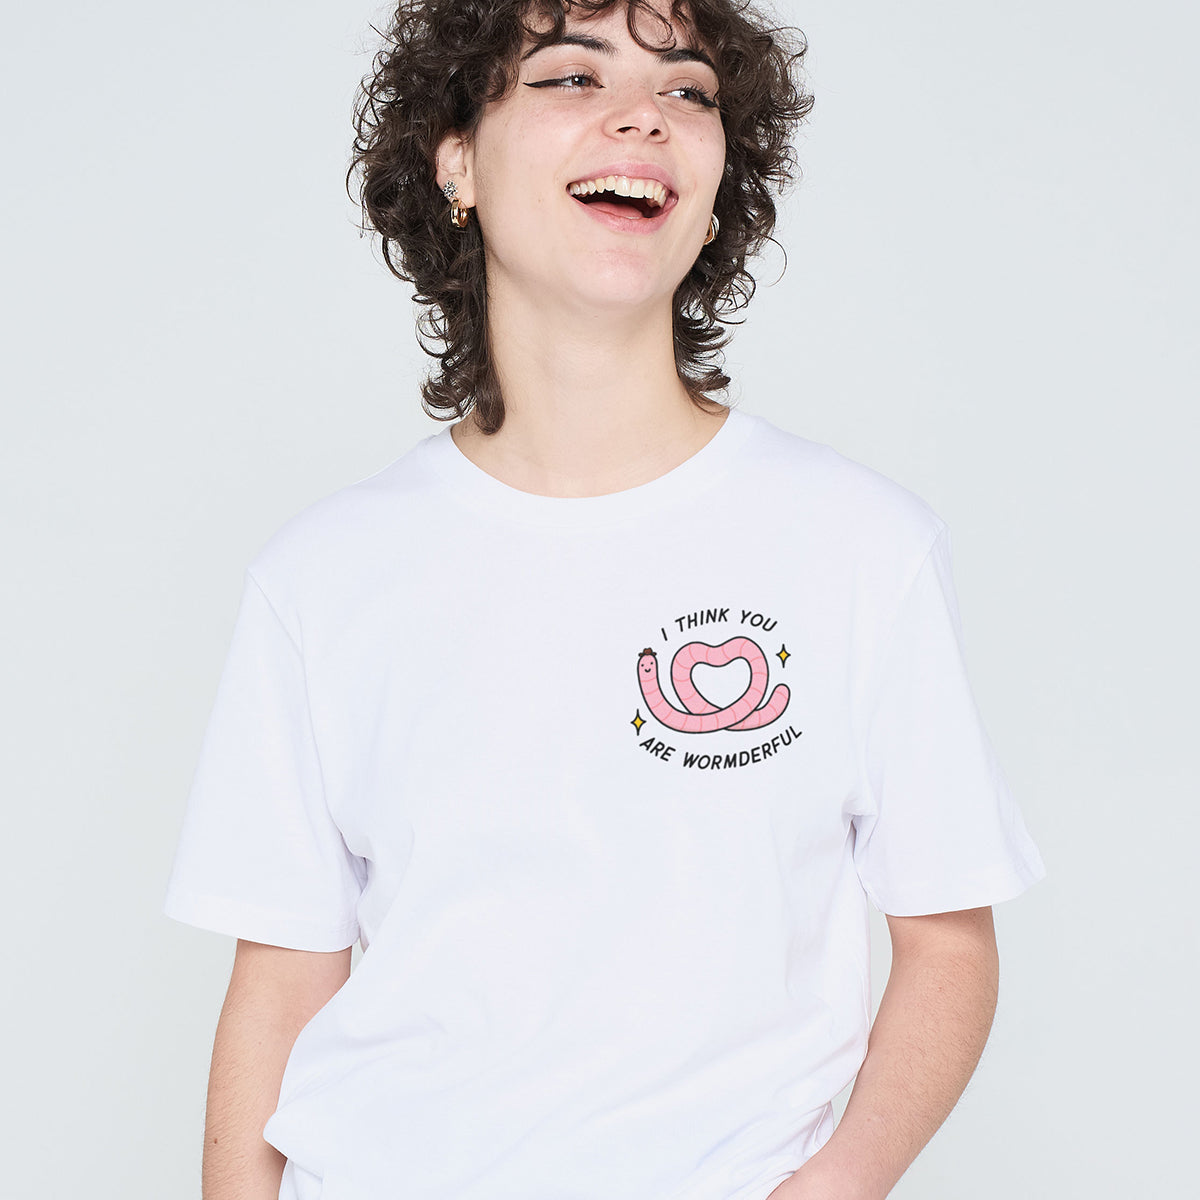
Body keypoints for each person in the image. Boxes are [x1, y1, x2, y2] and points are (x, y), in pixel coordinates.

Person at [162, 0, 1046, 1197]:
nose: (643, 115)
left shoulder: (860, 546)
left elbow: (947, 944)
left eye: (688, 91)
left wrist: (830, 1188)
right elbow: (278, 985)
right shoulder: (322, 577)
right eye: (572, 78)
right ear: (458, 161)